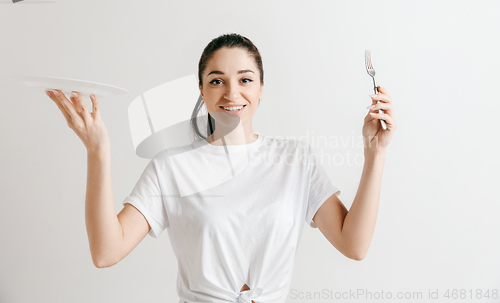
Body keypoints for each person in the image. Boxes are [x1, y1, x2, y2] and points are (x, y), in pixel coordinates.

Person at [46, 33, 397, 303]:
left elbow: (354, 244)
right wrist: (98, 151)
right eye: (217, 80)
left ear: (261, 90)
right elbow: (107, 252)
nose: (232, 93)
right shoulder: (172, 167)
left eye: (245, 80)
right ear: (201, 89)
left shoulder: (295, 160)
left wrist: (375, 154)